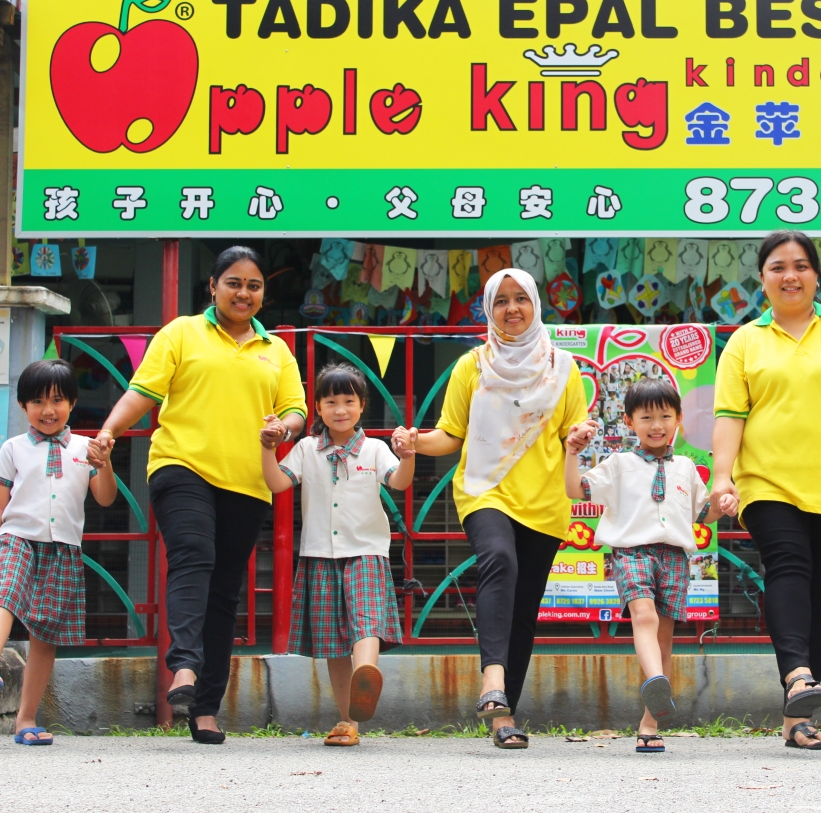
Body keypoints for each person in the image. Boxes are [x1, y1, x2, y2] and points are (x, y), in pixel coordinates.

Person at [89, 246, 307, 744]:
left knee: (224, 590)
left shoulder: (276, 350)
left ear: (263, 294)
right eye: (234, 283)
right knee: (193, 555)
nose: (243, 293)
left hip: (247, 479)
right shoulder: (181, 333)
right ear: (212, 286)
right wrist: (109, 431)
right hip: (181, 464)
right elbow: (142, 392)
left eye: (253, 286)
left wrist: (283, 428)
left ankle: (205, 708)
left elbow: (296, 409)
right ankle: (184, 666)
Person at [709, 231, 821, 751]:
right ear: (762, 278)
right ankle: (797, 675)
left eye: (800, 266)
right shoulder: (745, 341)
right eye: (777, 267)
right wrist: (722, 476)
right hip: (766, 481)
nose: (789, 276)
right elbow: (729, 416)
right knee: (788, 565)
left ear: (816, 275)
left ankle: (798, 720)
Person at [393, 267, 588, 749]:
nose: (512, 308)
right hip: (485, 490)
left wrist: (579, 439)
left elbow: (573, 434)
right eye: (501, 301)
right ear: (488, 309)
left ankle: (505, 717)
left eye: (521, 298)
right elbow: (450, 435)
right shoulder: (472, 366)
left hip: (545, 501)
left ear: (536, 305)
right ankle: (492, 678)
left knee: (524, 609)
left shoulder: (565, 369)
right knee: (499, 559)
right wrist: (414, 441)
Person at [564, 378, 735, 753]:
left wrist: (723, 506)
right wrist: (571, 454)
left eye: (665, 416)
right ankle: (657, 680)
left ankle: (650, 724)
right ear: (629, 421)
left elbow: (703, 515)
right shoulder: (618, 464)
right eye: (646, 417)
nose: (656, 425)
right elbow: (576, 490)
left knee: (664, 641)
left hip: (674, 556)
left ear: (679, 419)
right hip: (632, 553)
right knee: (643, 616)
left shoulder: (687, 467)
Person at [262, 364, 415, 747]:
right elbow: (277, 483)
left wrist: (408, 456)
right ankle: (349, 720)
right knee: (333, 643)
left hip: (366, 551)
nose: (340, 409)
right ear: (317, 407)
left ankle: (367, 673)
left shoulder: (375, 449)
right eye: (331, 402)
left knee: (366, 623)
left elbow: (399, 481)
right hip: (319, 554)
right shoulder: (305, 449)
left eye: (349, 401)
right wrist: (267, 449)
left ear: (362, 405)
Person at [0, 360, 117, 745]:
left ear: (72, 402)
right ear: (23, 406)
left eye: (57, 400)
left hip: (63, 547)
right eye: (37, 401)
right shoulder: (13, 448)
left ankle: (26, 720)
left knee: (46, 633)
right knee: (6, 593)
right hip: (16, 537)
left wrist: (104, 465)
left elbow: (105, 498)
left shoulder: (87, 448)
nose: (47, 410)